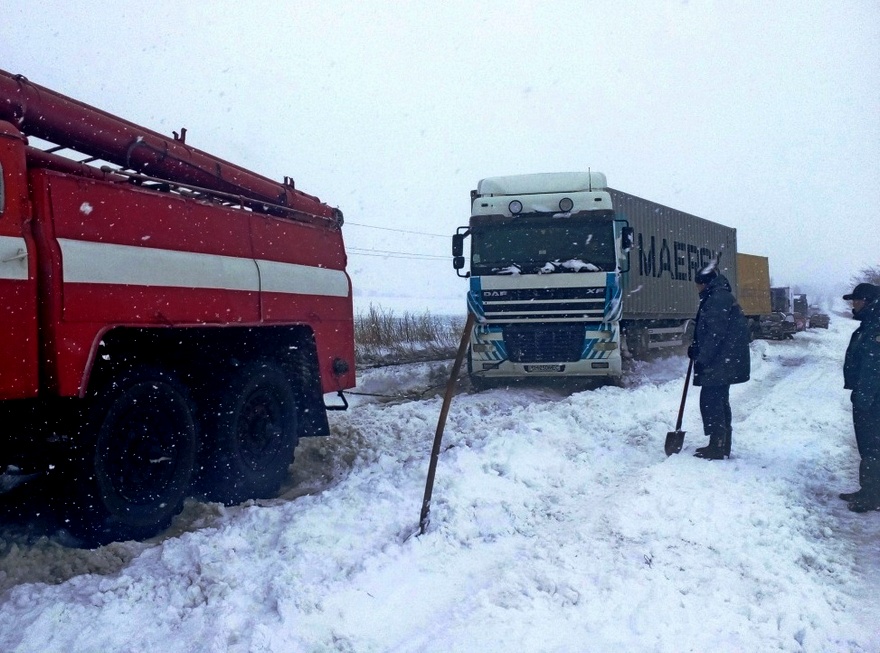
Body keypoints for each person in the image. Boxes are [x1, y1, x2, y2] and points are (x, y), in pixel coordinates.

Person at [687, 266, 751, 459]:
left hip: (721, 361)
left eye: (697, 284)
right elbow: (711, 331)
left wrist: (703, 358)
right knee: (718, 400)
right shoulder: (718, 296)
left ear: (703, 283)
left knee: (711, 401)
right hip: (724, 359)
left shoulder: (716, 299)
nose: (697, 288)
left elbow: (716, 333)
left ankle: (718, 446)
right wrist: (697, 347)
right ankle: (720, 444)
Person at [839, 282, 880, 513]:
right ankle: (869, 490)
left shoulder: (875, 326)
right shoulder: (871, 323)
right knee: (870, 447)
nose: (853, 303)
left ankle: (872, 496)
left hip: (873, 398)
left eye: (856, 299)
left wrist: (863, 397)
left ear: (868, 301)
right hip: (872, 395)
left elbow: (874, 367)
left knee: (872, 446)